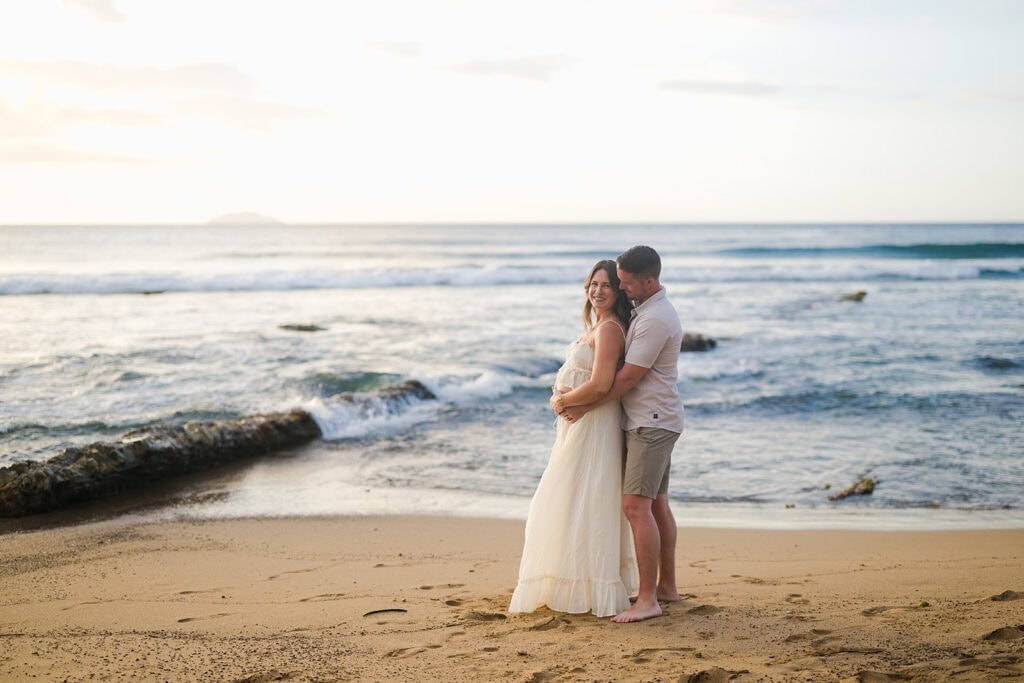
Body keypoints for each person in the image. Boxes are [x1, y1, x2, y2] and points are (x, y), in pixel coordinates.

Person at [558, 245, 683, 623]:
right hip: (649, 419)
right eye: (614, 283)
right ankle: (665, 587)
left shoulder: (655, 318)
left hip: (651, 422)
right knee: (656, 504)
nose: (621, 289)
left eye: (623, 283)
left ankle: (648, 600)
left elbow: (624, 379)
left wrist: (578, 403)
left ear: (648, 281)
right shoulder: (645, 311)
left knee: (635, 506)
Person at [508, 259, 639, 618]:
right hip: (581, 420)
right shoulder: (597, 327)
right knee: (573, 494)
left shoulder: (611, 329)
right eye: (593, 285)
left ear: (618, 291)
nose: (598, 291)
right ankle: (572, 577)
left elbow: (601, 384)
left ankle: (588, 582)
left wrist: (562, 400)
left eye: (606, 285)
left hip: (594, 421)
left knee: (586, 495)